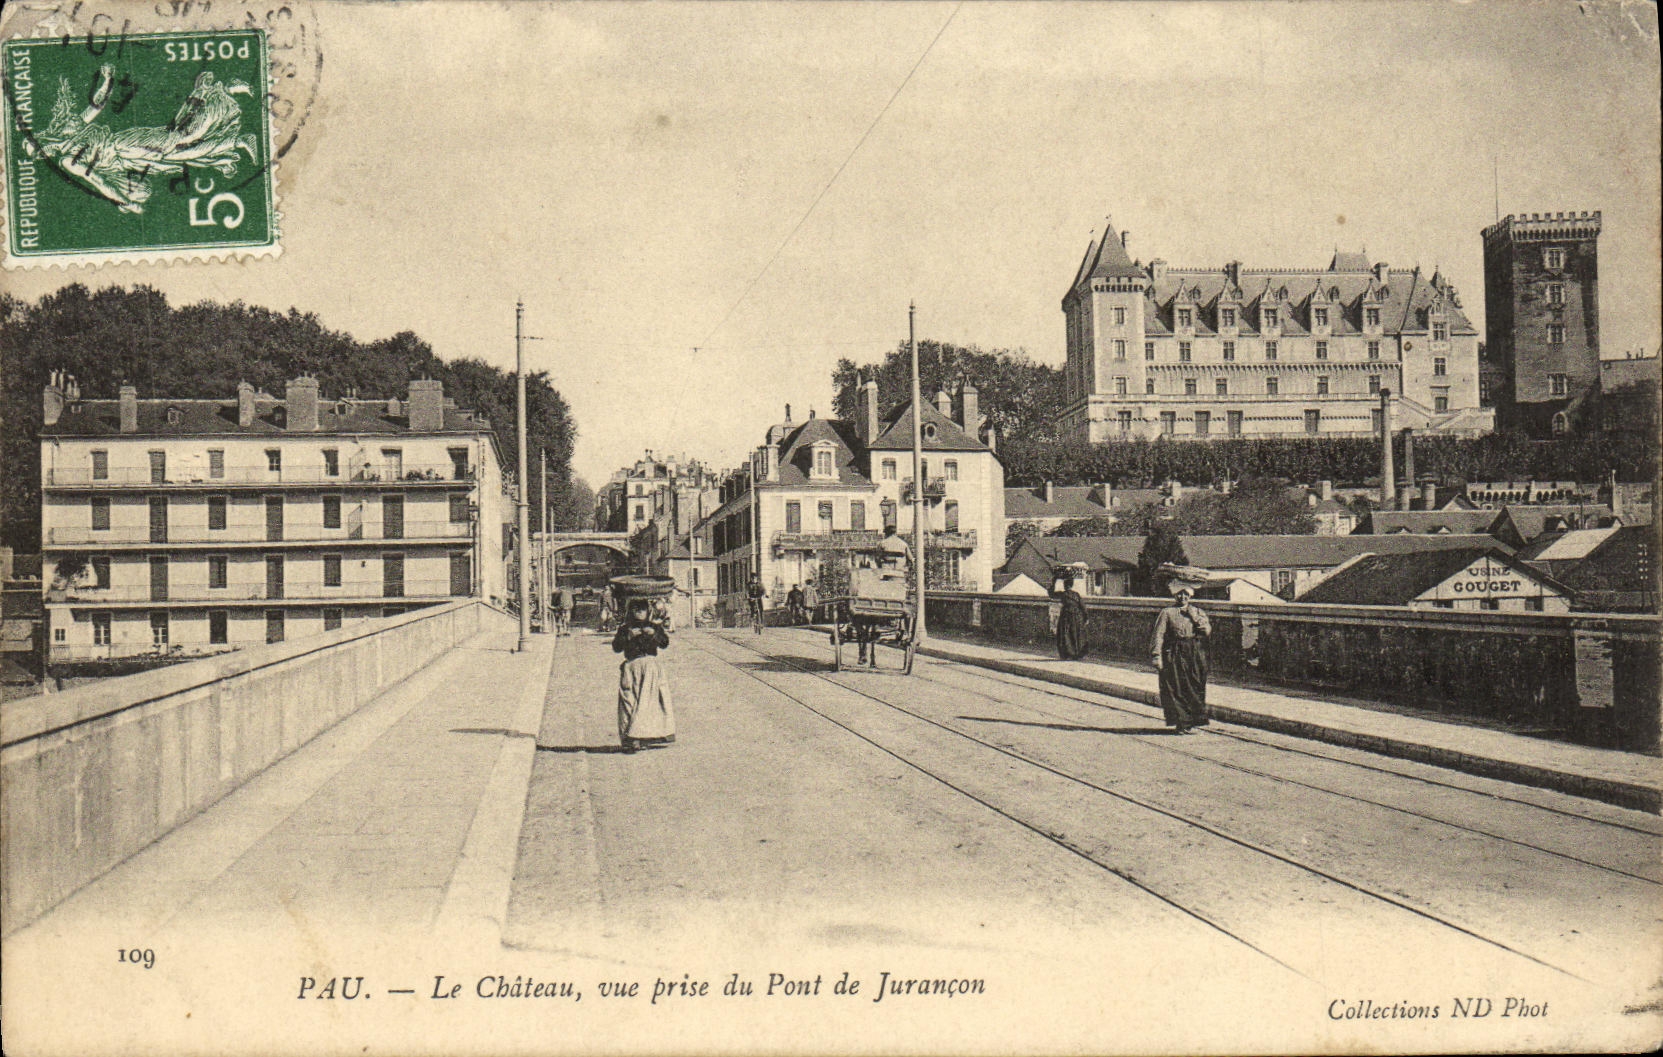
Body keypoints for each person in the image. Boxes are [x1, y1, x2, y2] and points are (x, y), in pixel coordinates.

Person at [612, 597, 675, 752]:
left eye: (642, 609)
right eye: (635, 609)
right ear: (630, 611)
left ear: (648, 611)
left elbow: (664, 643)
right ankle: (629, 737)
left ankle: (645, 736)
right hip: (631, 667)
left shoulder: (654, 626)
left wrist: (654, 634)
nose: (639, 613)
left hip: (650, 667)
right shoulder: (625, 628)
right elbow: (616, 648)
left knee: (648, 702)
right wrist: (628, 636)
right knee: (629, 701)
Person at [1151, 583, 1212, 733]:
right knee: (1176, 686)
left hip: (1193, 652)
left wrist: (1194, 617)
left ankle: (1192, 721)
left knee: (1195, 686)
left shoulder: (1197, 611)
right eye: (1179, 594)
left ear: (1191, 595)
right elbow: (1158, 635)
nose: (1182, 597)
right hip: (1174, 652)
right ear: (1174, 595)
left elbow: (1206, 631)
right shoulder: (1167, 612)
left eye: (1186, 594)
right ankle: (1182, 723)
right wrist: (1156, 656)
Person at [1051, 563, 1089, 661]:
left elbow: (1051, 594)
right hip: (1076, 616)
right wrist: (1085, 617)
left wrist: (1054, 581)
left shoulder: (1063, 594)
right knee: (1076, 635)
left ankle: (1068, 654)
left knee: (1066, 635)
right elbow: (1083, 606)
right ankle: (1076, 654)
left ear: (1065, 585)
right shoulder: (1076, 595)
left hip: (1066, 616)